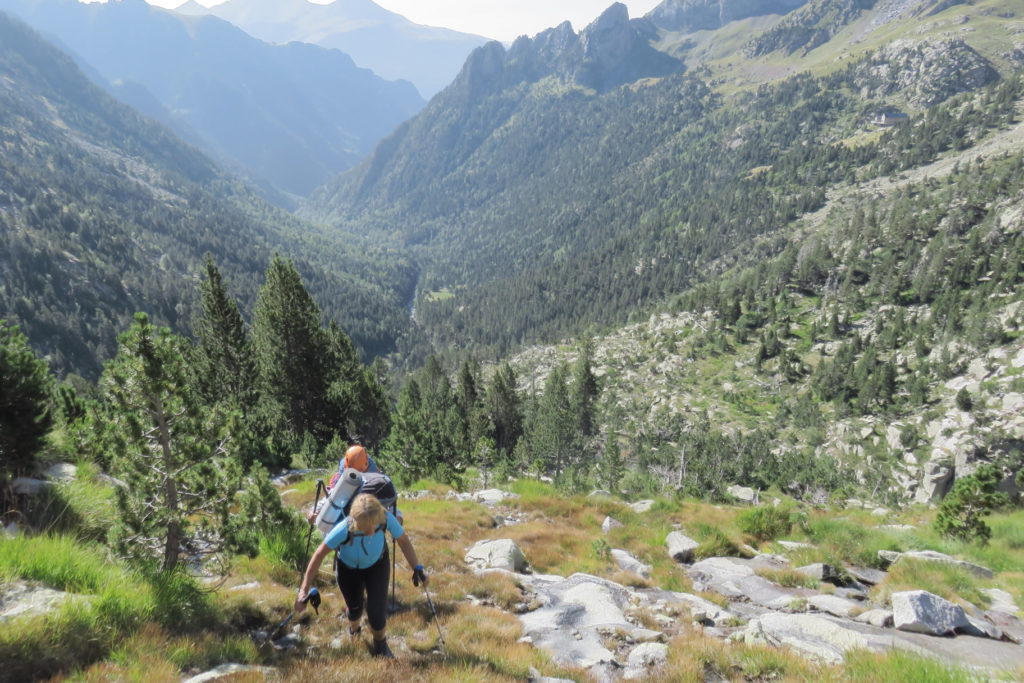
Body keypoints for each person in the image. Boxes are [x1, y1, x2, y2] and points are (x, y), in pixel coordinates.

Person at [295, 493, 427, 658]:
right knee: (355, 609)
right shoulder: (345, 527)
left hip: (378, 566)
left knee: (377, 615)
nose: (371, 531)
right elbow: (319, 554)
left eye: (374, 526)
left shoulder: (385, 518)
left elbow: (404, 541)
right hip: (348, 571)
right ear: (356, 522)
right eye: (366, 528)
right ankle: (354, 629)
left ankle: (380, 644)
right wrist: (303, 590)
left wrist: (417, 568)